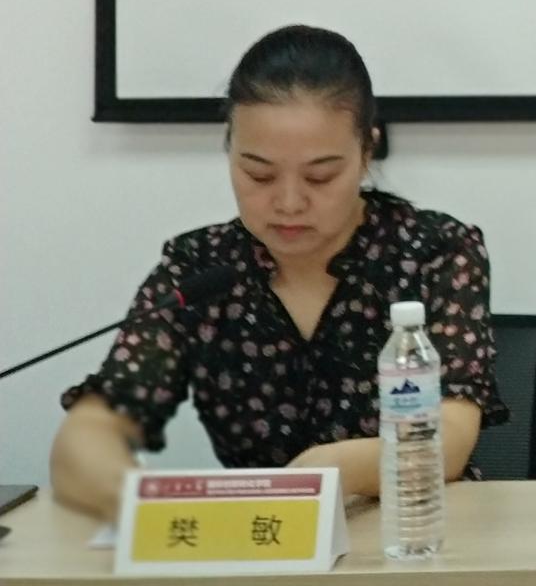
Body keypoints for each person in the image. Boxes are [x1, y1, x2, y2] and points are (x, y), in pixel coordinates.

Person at [50, 26, 506, 518]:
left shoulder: (434, 252)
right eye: (259, 174)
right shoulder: (201, 268)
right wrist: (126, 492)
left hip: (417, 534)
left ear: (367, 152)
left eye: (320, 176)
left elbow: (448, 440)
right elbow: (94, 428)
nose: (289, 202)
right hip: (261, 540)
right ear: (230, 151)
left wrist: (325, 470)